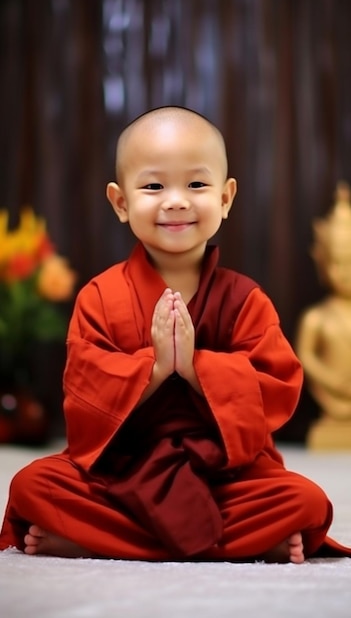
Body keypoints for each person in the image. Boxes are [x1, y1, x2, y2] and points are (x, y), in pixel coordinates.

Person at [0, 106, 350, 564]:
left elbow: (276, 389)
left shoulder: (246, 299)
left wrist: (196, 367)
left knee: (302, 501)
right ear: (120, 202)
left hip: (221, 470)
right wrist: (156, 369)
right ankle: (241, 546)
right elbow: (83, 394)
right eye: (153, 186)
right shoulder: (100, 297)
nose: (177, 200)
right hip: (123, 468)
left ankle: (94, 542)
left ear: (226, 199)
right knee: (34, 486)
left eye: (197, 185)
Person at [295, 181, 351, 449]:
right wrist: (333, 382)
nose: (344, 273)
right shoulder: (316, 318)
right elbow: (305, 357)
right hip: (334, 399)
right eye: (337, 263)